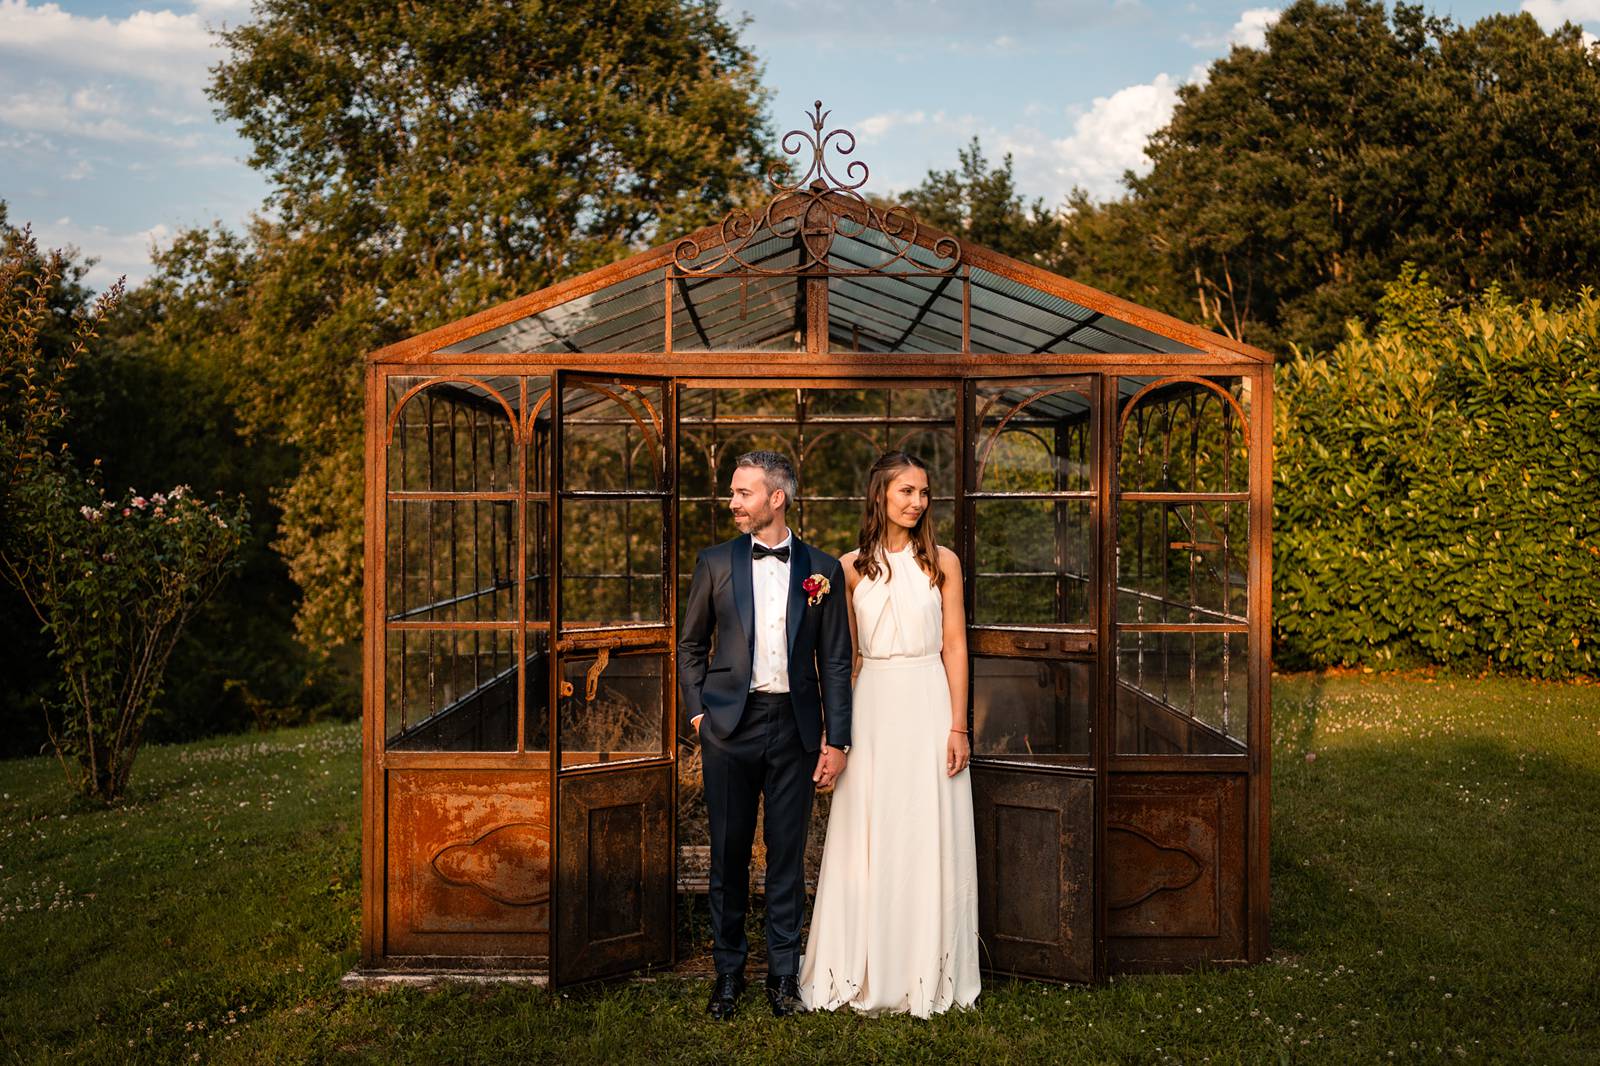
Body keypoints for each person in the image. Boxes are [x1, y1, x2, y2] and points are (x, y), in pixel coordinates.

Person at [798, 450, 980, 1018]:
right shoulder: (847, 568)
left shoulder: (942, 562)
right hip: (872, 702)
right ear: (880, 495)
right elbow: (844, 659)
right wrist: (837, 734)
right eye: (906, 491)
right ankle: (863, 965)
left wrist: (958, 725)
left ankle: (929, 968)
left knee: (929, 828)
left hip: (928, 698)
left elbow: (955, 646)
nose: (917, 502)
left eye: (924, 493)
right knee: (868, 831)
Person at [677, 450, 853, 1020]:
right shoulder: (716, 562)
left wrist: (838, 740)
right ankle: (727, 975)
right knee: (728, 857)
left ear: (776, 498)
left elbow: (835, 661)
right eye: (733, 493)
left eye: (742, 493)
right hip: (729, 726)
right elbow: (690, 645)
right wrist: (700, 715)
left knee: (786, 858)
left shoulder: (821, 569)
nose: (732, 502)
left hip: (797, 730)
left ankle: (783, 977)